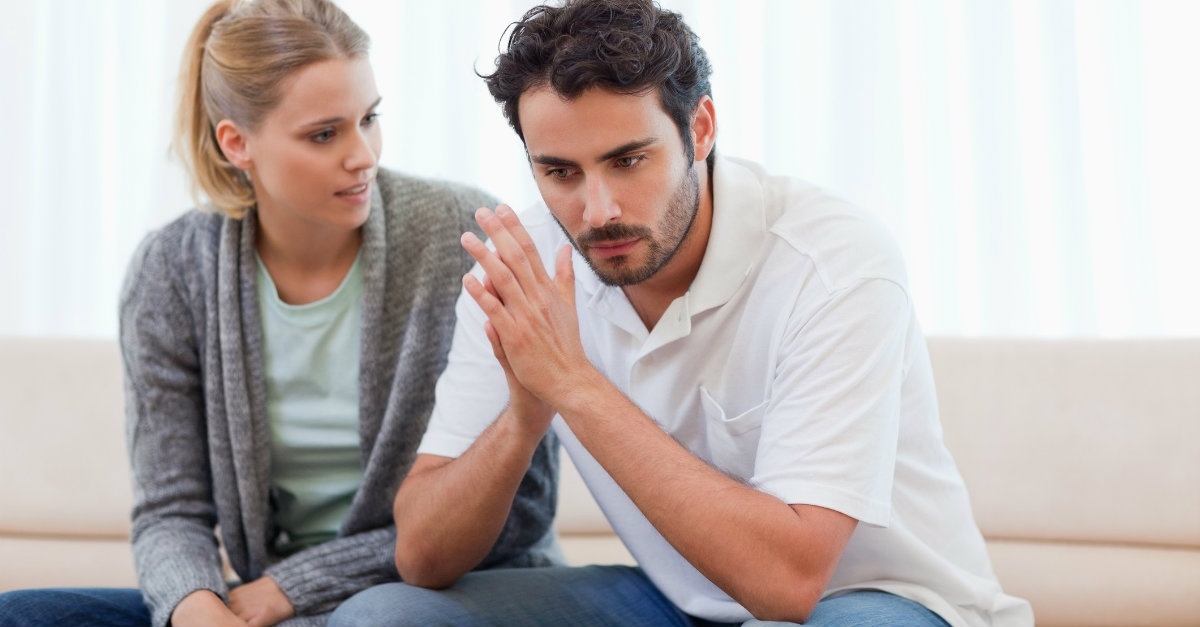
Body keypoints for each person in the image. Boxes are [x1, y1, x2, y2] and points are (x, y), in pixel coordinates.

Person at [328, 0, 1035, 626]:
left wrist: (572, 383)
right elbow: (422, 556)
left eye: (628, 160)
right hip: (675, 603)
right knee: (382, 615)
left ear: (700, 129)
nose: (597, 210)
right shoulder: (528, 266)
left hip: (876, 600)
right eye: (560, 172)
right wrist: (524, 412)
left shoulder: (833, 263)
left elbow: (787, 584)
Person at [0, 1, 560, 626]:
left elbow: (522, 507)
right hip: (263, 602)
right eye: (324, 134)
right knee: (24, 614)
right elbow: (170, 511)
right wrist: (197, 610)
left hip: (439, 592)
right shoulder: (171, 272)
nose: (363, 155)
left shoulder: (461, 236)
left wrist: (294, 587)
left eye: (369, 119)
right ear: (237, 143)